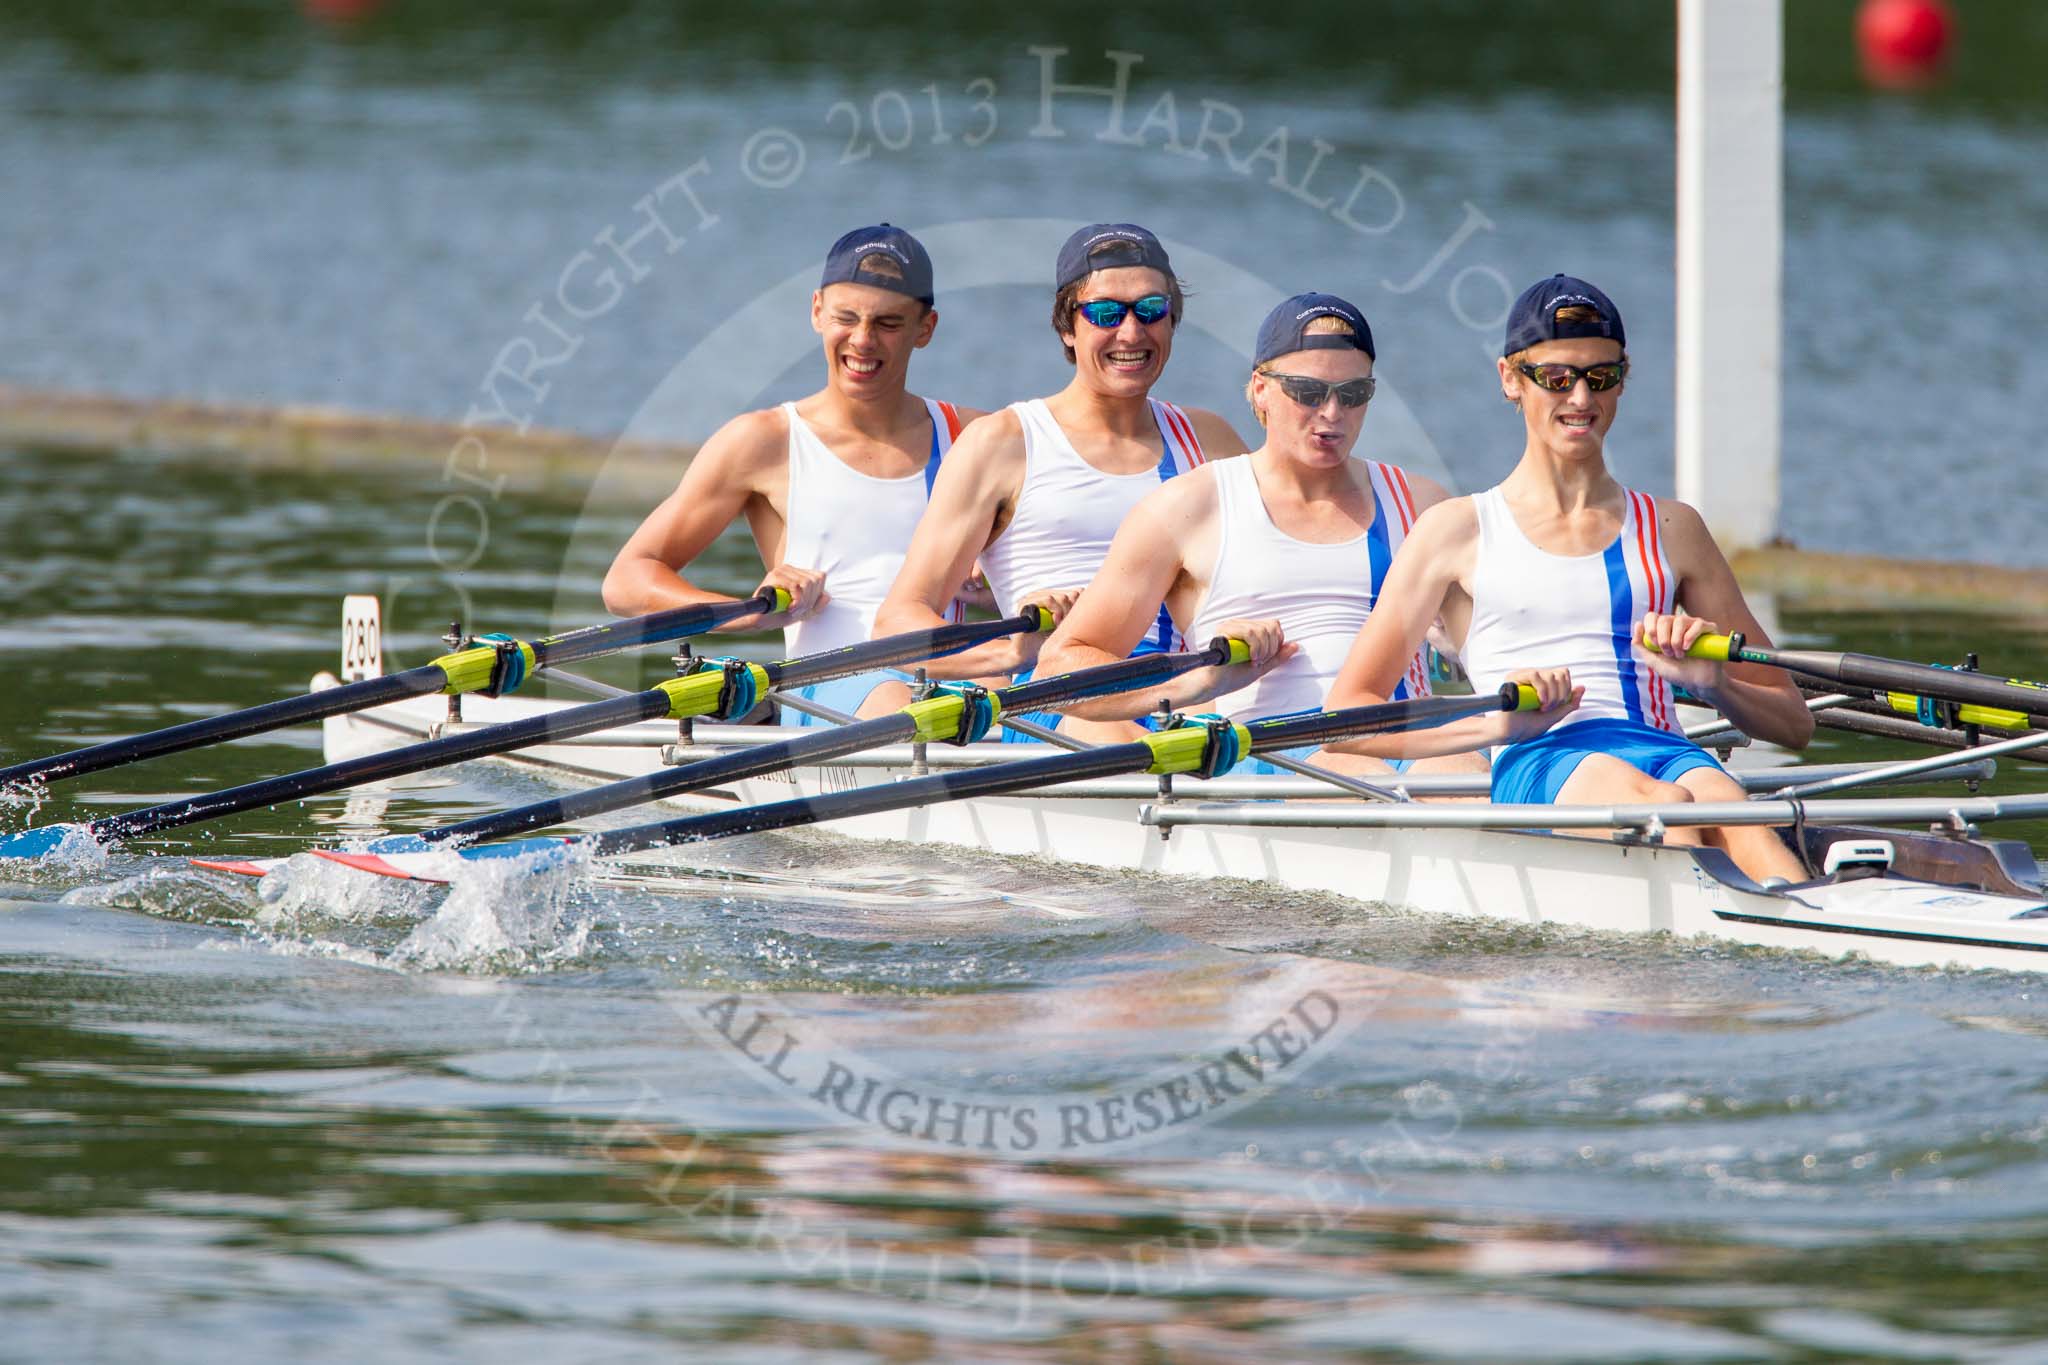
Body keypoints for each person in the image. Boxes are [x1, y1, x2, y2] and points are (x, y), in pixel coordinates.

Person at [1322, 274, 1813, 882]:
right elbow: (1347, 720)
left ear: (1621, 380)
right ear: (1510, 379)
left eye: (1600, 376)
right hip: (1542, 755)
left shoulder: (1673, 528)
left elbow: (1794, 724)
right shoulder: (1455, 530)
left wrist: (1715, 685)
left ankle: (1811, 923)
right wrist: (1494, 727)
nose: (1581, 398)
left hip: (1667, 747)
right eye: (1556, 378)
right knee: (1674, 809)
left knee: (1733, 815)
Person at [1034, 292, 1483, 778]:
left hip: (1403, 742)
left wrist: (1464, 651)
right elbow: (1059, 667)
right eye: (1308, 392)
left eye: (1353, 394)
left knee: (1464, 770)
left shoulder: (1423, 505)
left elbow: (1497, 648)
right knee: (1359, 771)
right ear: (1260, 389)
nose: (1332, 413)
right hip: (1256, 751)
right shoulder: (1189, 507)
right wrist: (1196, 684)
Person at [871, 223, 1247, 744]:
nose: (1132, 333)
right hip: (1058, 700)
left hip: (1194, 699)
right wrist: (1006, 652)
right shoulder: (1001, 443)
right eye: (1106, 314)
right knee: (1120, 736)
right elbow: (897, 621)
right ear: (1067, 328)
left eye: (1151, 310)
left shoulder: (1210, 439)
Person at [602, 224, 985, 723]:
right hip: (823, 692)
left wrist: (991, 586)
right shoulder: (765, 441)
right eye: (846, 318)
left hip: (952, 684)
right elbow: (627, 581)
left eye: (889, 324)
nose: (863, 341)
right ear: (817, 312)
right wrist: (746, 612)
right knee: (901, 703)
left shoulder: (977, 438)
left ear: (925, 328)